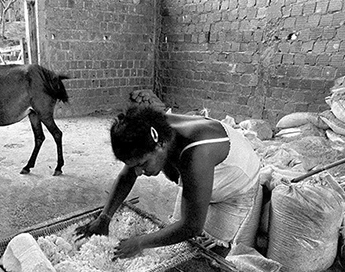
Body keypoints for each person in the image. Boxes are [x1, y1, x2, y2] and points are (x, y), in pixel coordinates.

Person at [75, 104, 263, 259]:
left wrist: (140, 242)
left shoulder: (195, 154)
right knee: (176, 248)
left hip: (236, 188)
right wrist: (104, 217)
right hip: (202, 175)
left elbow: (191, 226)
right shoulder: (152, 131)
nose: (139, 172)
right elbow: (128, 174)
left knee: (213, 255)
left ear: (160, 145)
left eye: (143, 164)